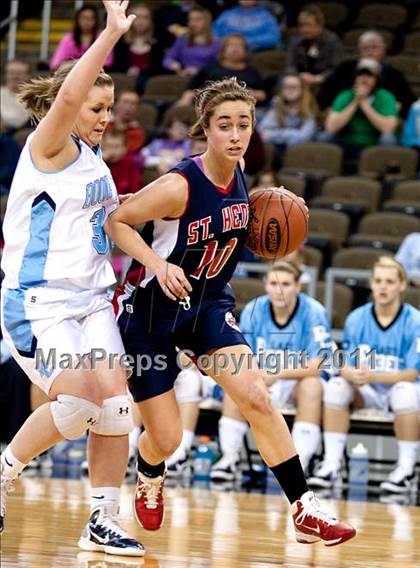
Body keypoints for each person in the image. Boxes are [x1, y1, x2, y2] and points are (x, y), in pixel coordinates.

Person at [106, 76, 356, 546]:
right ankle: (150, 471)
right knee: (166, 438)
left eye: (244, 124)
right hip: (151, 315)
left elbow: (243, 222)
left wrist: (280, 209)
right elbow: (117, 220)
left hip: (207, 308)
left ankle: (304, 508)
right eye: (225, 126)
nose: (236, 135)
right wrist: (157, 263)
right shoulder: (179, 185)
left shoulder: (242, 176)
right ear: (207, 129)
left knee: (257, 396)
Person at [0, 1, 144, 556]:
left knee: (116, 406)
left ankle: (102, 519)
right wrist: (110, 33)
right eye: (97, 106)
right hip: (39, 301)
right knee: (80, 401)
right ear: (71, 104)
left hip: (91, 300)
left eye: (109, 108)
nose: (105, 116)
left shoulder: (91, 160)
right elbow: (65, 97)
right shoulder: (48, 145)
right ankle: (5, 470)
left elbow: (97, 220)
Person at [210, 261, 334, 481]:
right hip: (262, 378)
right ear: (265, 285)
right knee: (236, 383)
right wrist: (256, 376)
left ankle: (301, 462)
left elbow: (321, 362)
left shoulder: (314, 311)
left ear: (298, 287)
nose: (279, 290)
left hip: (296, 381)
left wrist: (278, 374)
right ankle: (230, 459)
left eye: (286, 284)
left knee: (312, 386)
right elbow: (240, 354)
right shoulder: (253, 309)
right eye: (273, 284)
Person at [308, 257, 420, 495]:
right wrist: (348, 373)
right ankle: (331, 464)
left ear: (402, 285)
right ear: (371, 284)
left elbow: (413, 372)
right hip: (366, 390)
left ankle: (406, 469)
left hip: (398, 388)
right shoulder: (357, 318)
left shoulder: (415, 321)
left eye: (389, 281)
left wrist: (374, 377)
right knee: (337, 386)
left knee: (405, 392)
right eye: (378, 281)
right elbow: (345, 363)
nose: (383, 286)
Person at [317, 30, 416, 118]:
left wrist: (399, 108)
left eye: (374, 48)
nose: (370, 52)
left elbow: (409, 102)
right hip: (346, 118)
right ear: (359, 52)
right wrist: (329, 108)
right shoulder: (344, 69)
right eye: (365, 48)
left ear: (383, 51)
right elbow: (324, 93)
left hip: (381, 121)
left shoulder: (394, 75)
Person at [322, 58, 398, 154]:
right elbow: (330, 127)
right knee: (325, 137)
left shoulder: (386, 96)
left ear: (377, 79)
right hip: (348, 142)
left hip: (374, 143)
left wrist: (364, 104)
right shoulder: (345, 95)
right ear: (355, 78)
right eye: (360, 75)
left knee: (388, 139)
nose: (364, 79)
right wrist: (355, 102)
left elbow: (388, 129)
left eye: (369, 75)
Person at [258, 73, 317, 163]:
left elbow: (304, 137)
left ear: (302, 90)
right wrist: (292, 134)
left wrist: (275, 134)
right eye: (286, 87)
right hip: (278, 151)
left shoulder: (308, 109)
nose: (289, 90)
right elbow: (262, 133)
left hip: (301, 152)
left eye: (293, 87)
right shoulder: (277, 107)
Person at [285, 4, 343, 87]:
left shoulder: (332, 41)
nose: (304, 29)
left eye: (308, 25)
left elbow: (336, 68)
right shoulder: (295, 40)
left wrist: (318, 78)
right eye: (301, 25)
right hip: (299, 80)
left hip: (323, 80)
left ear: (320, 26)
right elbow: (289, 65)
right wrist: (298, 76)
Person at [111, 3, 163, 94]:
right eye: (137, 17)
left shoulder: (157, 45)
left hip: (148, 90)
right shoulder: (120, 44)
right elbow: (115, 68)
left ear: (150, 21)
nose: (141, 21)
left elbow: (159, 71)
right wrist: (127, 71)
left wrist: (143, 72)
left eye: (145, 18)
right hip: (123, 88)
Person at [50, 5, 113, 71]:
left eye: (91, 18)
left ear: (96, 20)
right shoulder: (68, 38)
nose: (87, 21)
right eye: (84, 18)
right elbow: (56, 63)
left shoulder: (102, 37)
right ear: (77, 20)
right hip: (70, 74)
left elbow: (107, 62)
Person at [163, 6, 220, 78]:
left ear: (207, 21)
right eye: (190, 19)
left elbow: (219, 67)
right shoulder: (183, 39)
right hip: (184, 77)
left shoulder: (216, 43)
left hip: (206, 79)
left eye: (197, 19)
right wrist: (174, 65)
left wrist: (199, 71)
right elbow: (167, 59)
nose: (192, 23)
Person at [213, 0, 281, 52]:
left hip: (257, 52)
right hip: (227, 51)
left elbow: (274, 37)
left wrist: (248, 41)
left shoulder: (266, 15)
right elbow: (214, 33)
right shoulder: (227, 14)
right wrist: (229, 42)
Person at [140, 108, 192, 175]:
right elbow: (142, 157)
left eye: (184, 128)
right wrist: (159, 161)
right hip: (160, 173)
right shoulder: (158, 143)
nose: (181, 131)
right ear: (169, 130)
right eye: (177, 128)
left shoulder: (189, 144)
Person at [102, 130, 143, 195]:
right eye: (109, 146)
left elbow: (135, 189)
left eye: (117, 147)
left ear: (125, 148)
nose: (113, 151)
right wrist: (101, 161)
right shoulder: (99, 163)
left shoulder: (129, 163)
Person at [0, 59, 31, 133]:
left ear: (28, 76)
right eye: (11, 73)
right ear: (6, 75)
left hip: (26, 135)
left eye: (19, 73)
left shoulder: (36, 97)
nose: (15, 76)